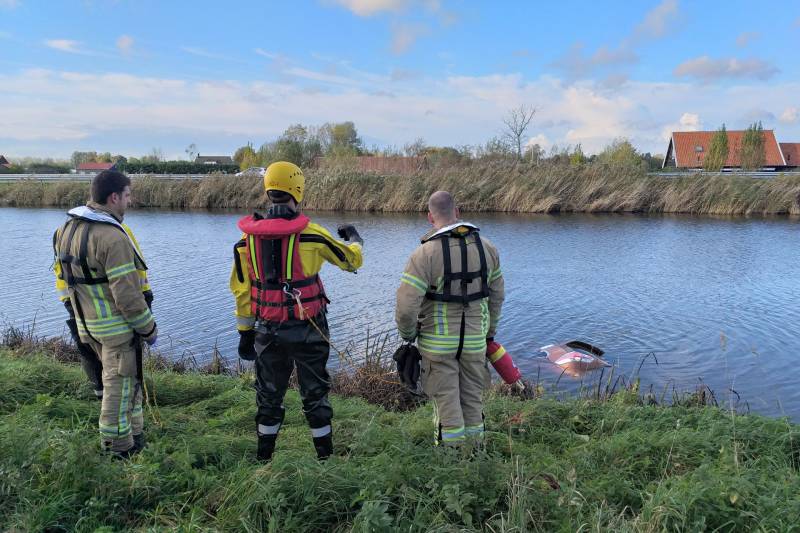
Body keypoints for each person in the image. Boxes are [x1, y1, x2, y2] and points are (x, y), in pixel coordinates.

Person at [230, 161, 363, 461]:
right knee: (315, 395)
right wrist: (355, 240)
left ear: (269, 190)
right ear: (298, 189)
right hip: (309, 329)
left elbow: (241, 290)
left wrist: (244, 334)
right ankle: (325, 461)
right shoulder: (313, 234)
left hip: (267, 330)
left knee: (268, 397)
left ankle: (263, 460)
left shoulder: (245, 241)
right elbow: (351, 262)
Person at [52, 170, 157, 458]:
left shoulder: (66, 230)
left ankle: (136, 436)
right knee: (116, 393)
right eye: (127, 195)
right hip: (116, 330)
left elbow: (65, 280)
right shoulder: (112, 237)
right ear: (114, 197)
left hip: (88, 326)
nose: (130, 201)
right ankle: (117, 451)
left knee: (129, 385)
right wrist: (149, 329)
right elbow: (127, 295)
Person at [395, 191, 504, 447]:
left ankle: (451, 462)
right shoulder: (488, 248)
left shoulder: (423, 255)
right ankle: (477, 455)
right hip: (476, 341)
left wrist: (408, 334)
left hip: (437, 345)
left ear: (429, 217)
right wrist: (489, 332)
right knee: (472, 401)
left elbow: (406, 307)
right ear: (458, 211)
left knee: (446, 404)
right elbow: (497, 296)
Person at [54, 208, 153, 402]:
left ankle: (102, 394)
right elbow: (134, 273)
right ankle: (131, 398)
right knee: (127, 357)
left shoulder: (64, 230)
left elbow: (60, 268)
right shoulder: (116, 231)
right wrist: (147, 320)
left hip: (75, 301)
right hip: (117, 305)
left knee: (90, 351)